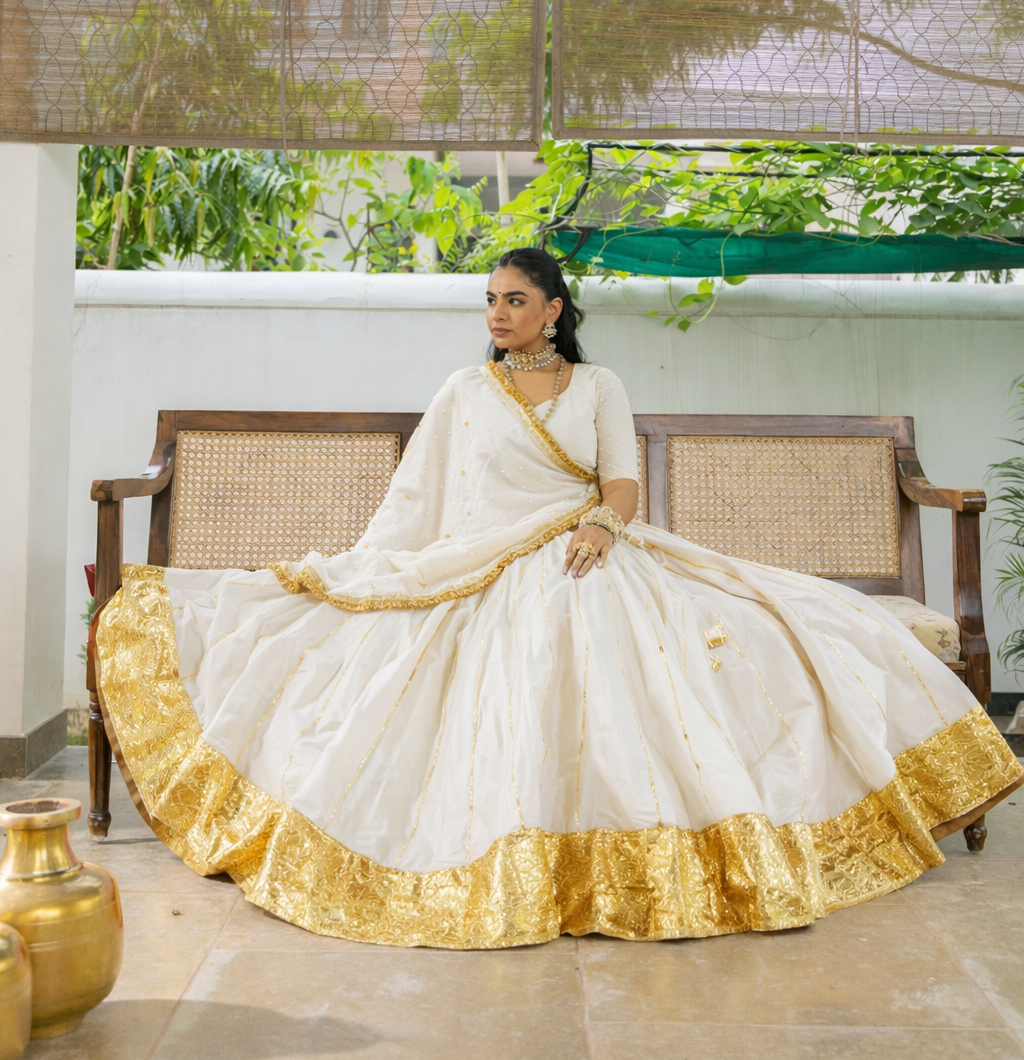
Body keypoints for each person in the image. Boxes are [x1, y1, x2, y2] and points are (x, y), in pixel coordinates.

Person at [97, 248, 1021, 948]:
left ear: (554, 309)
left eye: (514, 300)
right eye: (490, 301)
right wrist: (400, 566)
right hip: (480, 562)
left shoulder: (598, 385)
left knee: (665, 622)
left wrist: (599, 529)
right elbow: (420, 504)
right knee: (515, 631)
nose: (498, 314)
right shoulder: (465, 390)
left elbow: (622, 484)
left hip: (593, 548)